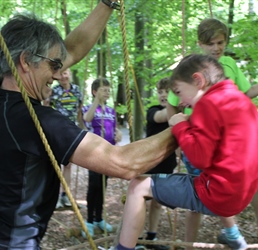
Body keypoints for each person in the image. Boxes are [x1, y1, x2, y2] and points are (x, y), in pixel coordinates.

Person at [0, 1, 177, 249]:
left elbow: (69, 50)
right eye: (53, 66)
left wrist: (105, 5)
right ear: (26, 61)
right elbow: (124, 163)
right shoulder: (38, 120)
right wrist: (187, 125)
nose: (58, 74)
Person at [116, 53, 258, 250]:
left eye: (179, 92)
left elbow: (199, 159)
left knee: (138, 186)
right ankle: (233, 234)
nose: (181, 102)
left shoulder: (207, 103)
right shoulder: (242, 102)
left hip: (217, 194)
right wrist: (193, 124)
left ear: (198, 81)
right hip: (242, 196)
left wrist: (179, 126)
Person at [166, 18, 258, 247]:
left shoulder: (229, 66)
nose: (216, 48)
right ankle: (187, 244)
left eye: (220, 42)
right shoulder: (188, 70)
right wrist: (178, 128)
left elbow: (248, 92)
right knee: (198, 188)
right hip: (200, 137)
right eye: (210, 43)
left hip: (235, 140)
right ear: (200, 44)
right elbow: (173, 103)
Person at [136, 77, 177, 250]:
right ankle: (136, 239)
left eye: (167, 91)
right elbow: (163, 117)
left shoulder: (176, 112)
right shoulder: (153, 111)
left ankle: (151, 237)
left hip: (167, 163)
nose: (163, 95)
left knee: (157, 202)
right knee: (141, 201)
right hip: (150, 163)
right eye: (160, 92)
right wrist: (174, 104)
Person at [81, 78, 122, 237]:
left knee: (103, 187)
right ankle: (89, 221)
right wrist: (96, 102)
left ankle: (99, 218)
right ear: (95, 92)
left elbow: (115, 128)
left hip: (108, 153)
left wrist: (117, 134)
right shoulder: (89, 108)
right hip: (94, 153)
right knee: (94, 186)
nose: (107, 92)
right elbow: (87, 119)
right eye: (104, 89)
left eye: (108, 89)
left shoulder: (111, 111)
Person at [50, 68, 84, 209]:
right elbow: (47, 108)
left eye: (66, 73)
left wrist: (81, 129)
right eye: (61, 73)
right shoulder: (54, 91)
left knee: (68, 165)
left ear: (69, 73)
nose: (63, 76)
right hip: (56, 130)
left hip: (71, 130)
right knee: (56, 165)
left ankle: (65, 195)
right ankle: (55, 197)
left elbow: (80, 111)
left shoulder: (76, 90)